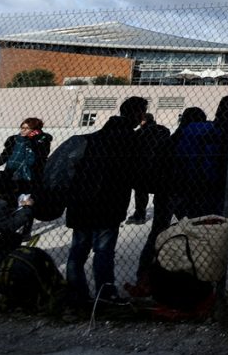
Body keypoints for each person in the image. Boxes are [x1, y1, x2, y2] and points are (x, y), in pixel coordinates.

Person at [65, 96, 147, 306]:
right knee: (103, 251)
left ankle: (76, 294)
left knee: (78, 251)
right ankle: (106, 293)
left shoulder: (93, 138)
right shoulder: (133, 141)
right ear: (137, 114)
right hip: (109, 203)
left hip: (81, 202)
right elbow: (138, 174)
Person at [127, 108, 203, 298]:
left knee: (157, 234)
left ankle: (144, 277)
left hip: (165, 191)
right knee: (193, 232)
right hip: (186, 192)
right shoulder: (197, 142)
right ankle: (196, 278)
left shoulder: (170, 141)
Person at [126, 113, 171, 225]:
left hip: (143, 167)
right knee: (160, 193)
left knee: (141, 192)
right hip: (160, 167)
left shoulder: (139, 133)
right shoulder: (163, 130)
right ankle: (160, 215)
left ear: (143, 121)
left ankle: (140, 215)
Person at [0, 117, 53, 187]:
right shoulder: (14, 140)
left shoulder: (42, 140)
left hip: (31, 175)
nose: (23, 130)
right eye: (22, 128)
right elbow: (5, 156)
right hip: (11, 173)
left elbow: (42, 154)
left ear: (35, 130)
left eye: (26, 128)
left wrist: (32, 139)